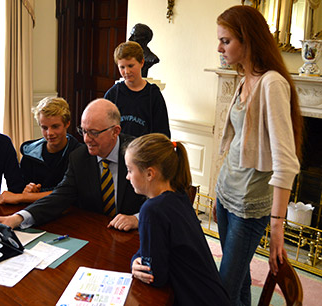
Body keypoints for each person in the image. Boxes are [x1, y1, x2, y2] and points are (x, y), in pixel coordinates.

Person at [214, 6, 303, 305]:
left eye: (226, 41)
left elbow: (286, 162)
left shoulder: (271, 83)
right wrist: (219, 192)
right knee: (237, 286)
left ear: (247, 39)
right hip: (226, 194)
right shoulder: (245, 78)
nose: (219, 48)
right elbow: (238, 143)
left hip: (249, 204)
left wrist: (277, 226)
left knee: (223, 290)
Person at [0, 99, 146, 232]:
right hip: (96, 234)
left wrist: (137, 218)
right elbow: (59, 197)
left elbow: (164, 197)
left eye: (94, 132)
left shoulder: (140, 154)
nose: (86, 139)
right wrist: (16, 218)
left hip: (136, 236)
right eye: (83, 131)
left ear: (115, 131)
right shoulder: (79, 157)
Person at [126, 134, 230, 306]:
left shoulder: (152, 210)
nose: (128, 177)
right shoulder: (179, 195)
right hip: (214, 296)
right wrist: (138, 258)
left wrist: (135, 262)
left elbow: (155, 276)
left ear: (150, 173)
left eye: (130, 170)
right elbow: (154, 249)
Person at [0, 97, 82, 205]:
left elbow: (68, 194)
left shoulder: (79, 154)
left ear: (67, 124)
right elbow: (21, 189)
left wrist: (23, 197)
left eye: (55, 126)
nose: (49, 133)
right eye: (44, 128)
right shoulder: (30, 154)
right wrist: (28, 190)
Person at [104, 41, 170, 138]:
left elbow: (162, 132)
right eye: (122, 67)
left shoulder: (153, 95)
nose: (126, 71)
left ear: (142, 62)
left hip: (145, 151)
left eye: (131, 66)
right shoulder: (113, 94)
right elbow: (104, 128)